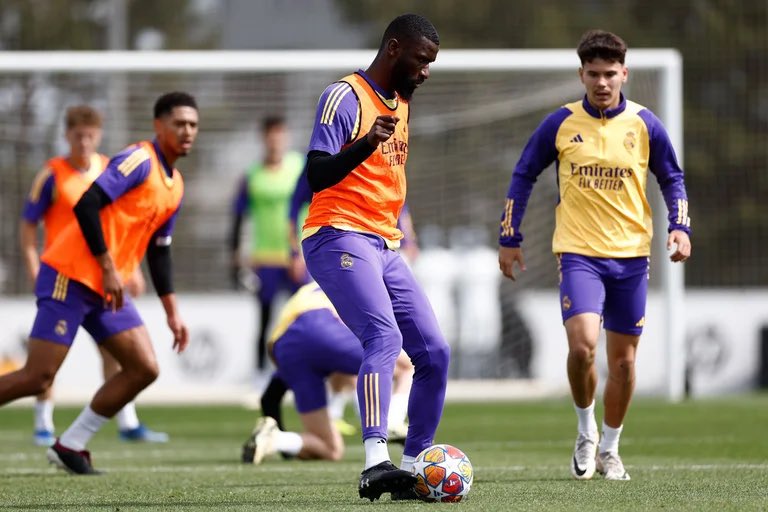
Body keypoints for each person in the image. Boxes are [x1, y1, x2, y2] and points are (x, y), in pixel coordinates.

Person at [497, 30, 692, 481]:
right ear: (581, 74)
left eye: (609, 74)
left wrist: (680, 228)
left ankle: (610, 447)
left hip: (631, 256)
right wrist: (510, 235)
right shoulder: (560, 124)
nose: (602, 82)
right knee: (583, 346)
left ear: (624, 73)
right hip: (578, 252)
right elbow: (523, 174)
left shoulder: (645, 125)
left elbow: (673, 179)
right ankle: (585, 433)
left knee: (623, 362)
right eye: (593, 74)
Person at [0, 91, 199, 475]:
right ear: (159, 126)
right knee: (37, 376)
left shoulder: (175, 185)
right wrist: (108, 265)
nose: (187, 131)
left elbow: (159, 251)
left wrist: (172, 313)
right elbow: (87, 204)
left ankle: (70, 445)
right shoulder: (138, 159)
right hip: (68, 275)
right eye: (179, 123)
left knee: (144, 367)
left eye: (192, 124)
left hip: (108, 288)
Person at [300, 13, 449, 501]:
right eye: (421, 60)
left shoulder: (402, 102)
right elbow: (317, 175)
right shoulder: (343, 96)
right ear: (393, 49)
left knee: (434, 353)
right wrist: (366, 142)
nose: (426, 71)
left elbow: (389, 182)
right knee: (382, 336)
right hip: (336, 234)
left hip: (384, 244)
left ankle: (413, 469)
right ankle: (375, 463)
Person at [19, 105, 168, 447]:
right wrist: (32, 264)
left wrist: (130, 269)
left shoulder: (107, 168)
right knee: (44, 367)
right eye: (77, 135)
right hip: (65, 276)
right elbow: (28, 225)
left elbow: (128, 223)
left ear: (98, 135)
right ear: (67, 135)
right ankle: (44, 423)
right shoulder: (52, 174)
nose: (84, 142)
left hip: (105, 276)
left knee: (120, 355)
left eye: (90, 135)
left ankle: (127, 421)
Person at [241, 283, 413, 464]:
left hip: (283, 347)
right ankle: (392, 422)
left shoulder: (308, 290)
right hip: (321, 326)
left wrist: (274, 424)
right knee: (406, 366)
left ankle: (276, 439)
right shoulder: (354, 281)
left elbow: (270, 397)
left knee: (331, 449)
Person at [230, 115, 308, 381]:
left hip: (296, 256)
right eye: (270, 135)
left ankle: (305, 371)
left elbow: (313, 206)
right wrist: (237, 255)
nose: (275, 141)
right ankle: (260, 375)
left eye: (280, 134)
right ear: (263, 139)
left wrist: (307, 251)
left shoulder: (300, 166)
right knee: (265, 320)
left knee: (304, 317)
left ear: (285, 137)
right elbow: (240, 217)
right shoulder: (252, 175)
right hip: (264, 257)